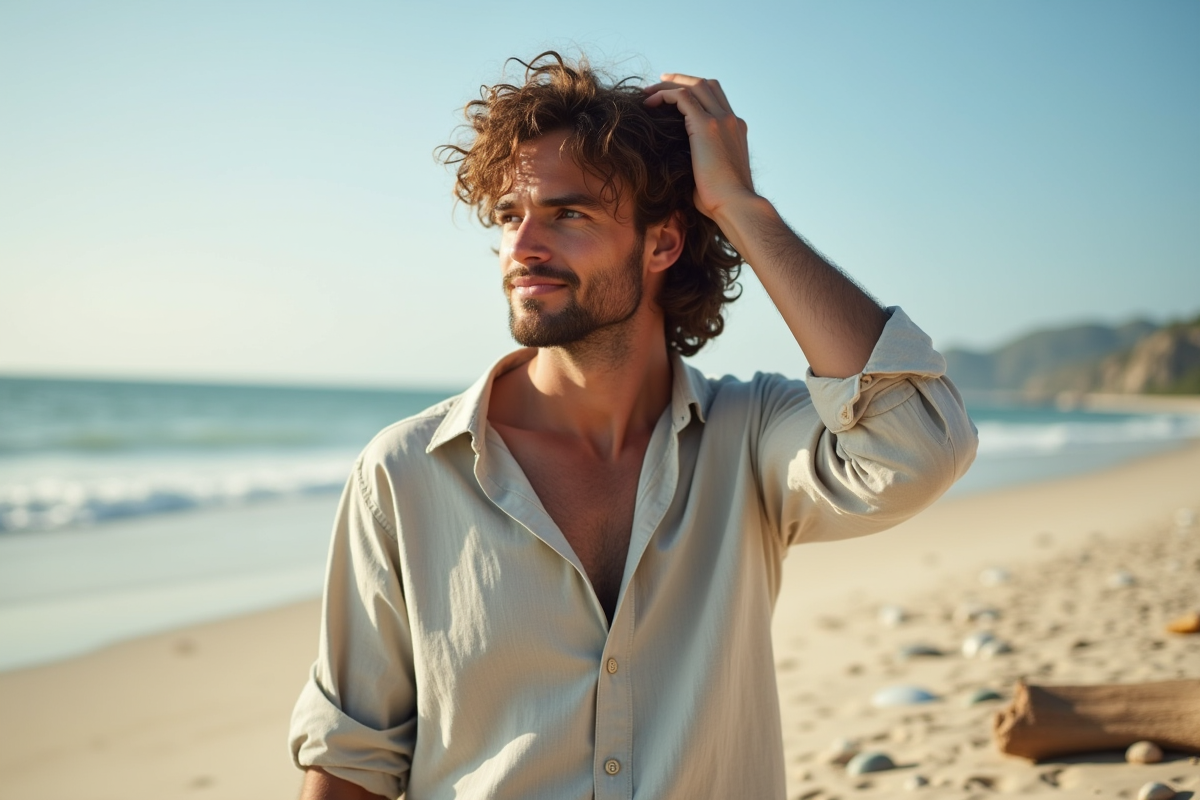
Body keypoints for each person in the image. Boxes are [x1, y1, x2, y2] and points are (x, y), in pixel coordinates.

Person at [289, 51, 977, 800]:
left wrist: (741, 208)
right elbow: (351, 761)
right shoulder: (406, 473)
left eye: (568, 213)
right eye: (510, 217)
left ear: (663, 242)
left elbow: (918, 445)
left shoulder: (748, 438)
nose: (522, 249)